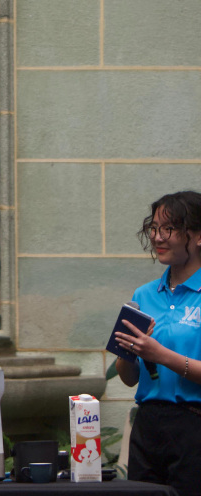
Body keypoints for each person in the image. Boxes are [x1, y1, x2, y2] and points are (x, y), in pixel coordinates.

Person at [114, 191, 201, 496]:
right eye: (153, 229)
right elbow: (128, 378)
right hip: (147, 427)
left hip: (194, 428)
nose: (157, 238)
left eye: (168, 229)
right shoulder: (144, 295)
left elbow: (161, 357)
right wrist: (126, 353)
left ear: (198, 236)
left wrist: (161, 355)